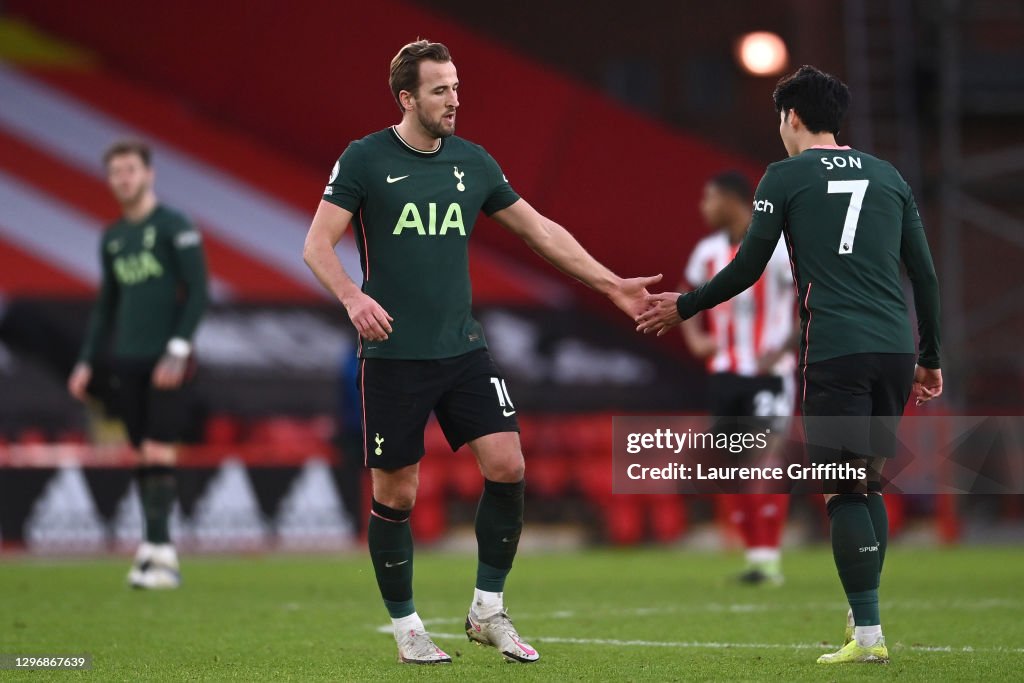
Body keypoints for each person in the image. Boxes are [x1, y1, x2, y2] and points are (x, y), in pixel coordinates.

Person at [302, 39, 661, 665]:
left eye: (456, 86)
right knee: (399, 495)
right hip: (393, 355)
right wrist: (353, 300)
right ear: (407, 97)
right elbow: (317, 246)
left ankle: (487, 610)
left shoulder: (473, 162)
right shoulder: (365, 159)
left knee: (508, 465)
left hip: (463, 348)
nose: (454, 100)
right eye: (440, 89)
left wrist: (610, 284)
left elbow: (540, 229)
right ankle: (408, 628)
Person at [638, 65, 942, 665]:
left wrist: (685, 306)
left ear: (792, 118)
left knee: (841, 490)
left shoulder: (785, 176)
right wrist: (930, 357)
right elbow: (925, 275)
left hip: (836, 350)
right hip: (893, 348)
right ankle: (864, 618)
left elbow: (750, 265)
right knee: (866, 480)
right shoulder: (888, 176)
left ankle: (870, 637)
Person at [68, 139, 209, 590]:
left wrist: (179, 347)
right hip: (124, 358)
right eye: (116, 172)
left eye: (131, 170)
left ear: (148, 174)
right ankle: (150, 548)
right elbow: (105, 305)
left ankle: (163, 555)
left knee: (158, 448)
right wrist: (87, 361)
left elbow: (199, 291)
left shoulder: (174, 225)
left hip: (166, 357)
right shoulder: (112, 237)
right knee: (140, 452)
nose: (123, 179)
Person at [681, 171, 796, 586]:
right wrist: (695, 339)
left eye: (708, 197)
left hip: (769, 376)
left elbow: (808, 301)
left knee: (763, 463)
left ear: (732, 200)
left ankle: (768, 561)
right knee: (730, 469)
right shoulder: (707, 252)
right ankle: (755, 557)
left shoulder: (780, 247)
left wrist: (784, 350)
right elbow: (686, 294)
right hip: (725, 373)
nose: (703, 207)